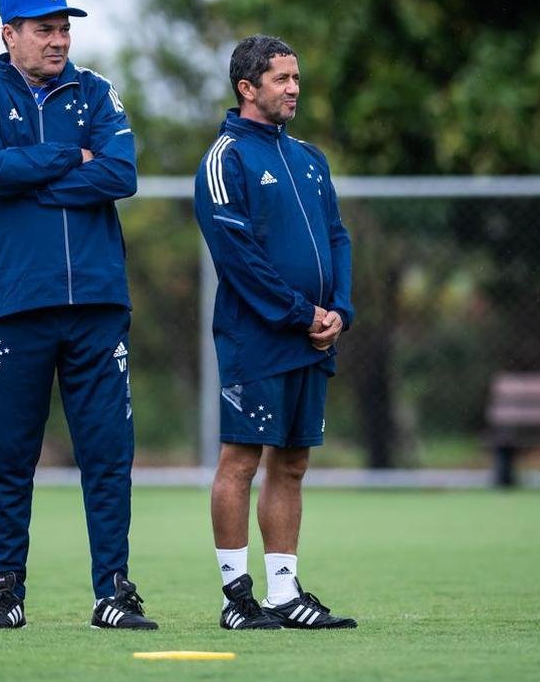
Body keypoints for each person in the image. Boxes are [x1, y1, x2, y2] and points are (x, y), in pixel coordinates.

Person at [0, 0, 156, 631]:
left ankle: (112, 594)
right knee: (10, 459)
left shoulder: (96, 91)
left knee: (107, 457)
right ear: (9, 33)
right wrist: (70, 157)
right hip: (15, 307)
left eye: (64, 26)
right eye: (44, 28)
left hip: (97, 305)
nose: (58, 39)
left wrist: (31, 175)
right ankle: (7, 594)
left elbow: (120, 174)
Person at [193, 35, 358, 631]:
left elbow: (337, 236)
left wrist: (338, 309)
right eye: (282, 79)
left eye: (296, 78)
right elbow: (236, 257)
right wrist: (299, 313)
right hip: (257, 338)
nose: (293, 89)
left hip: (314, 336)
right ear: (247, 87)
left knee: (291, 465)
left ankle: (285, 595)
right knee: (240, 461)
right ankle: (237, 599)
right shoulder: (226, 158)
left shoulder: (310, 157)